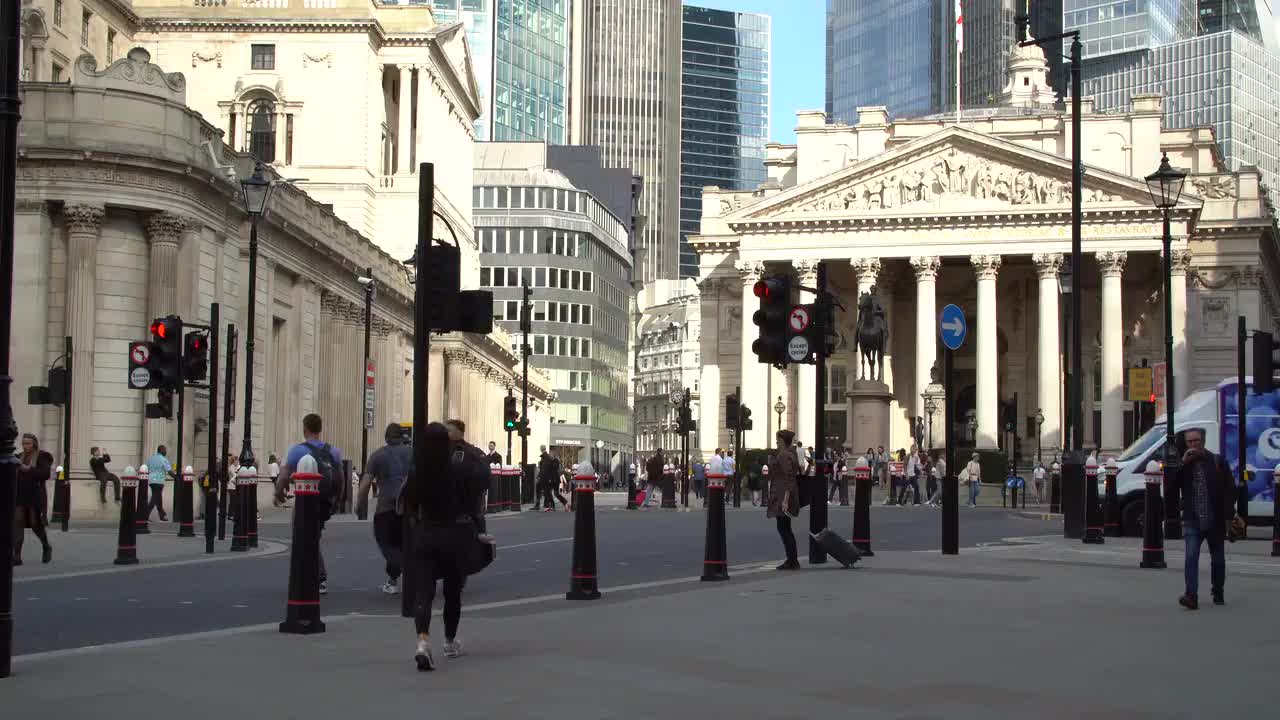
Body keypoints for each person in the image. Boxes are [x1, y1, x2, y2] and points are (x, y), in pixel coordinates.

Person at [402, 422, 477, 671]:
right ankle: (449, 640)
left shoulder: (417, 472)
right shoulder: (455, 470)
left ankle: (423, 642)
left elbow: (408, 505)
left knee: (423, 593)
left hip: (425, 534)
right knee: (452, 592)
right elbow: (469, 503)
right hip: (452, 536)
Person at [276, 414, 344, 595]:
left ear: (305, 428)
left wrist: (279, 493)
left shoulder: (298, 450)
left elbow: (283, 476)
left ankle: (316, 577)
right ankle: (315, 574)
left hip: (305, 501)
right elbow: (341, 478)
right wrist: (337, 501)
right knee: (313, 535)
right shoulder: (334, 451)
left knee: (303, 535)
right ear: (320, 429)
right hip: (325, 501)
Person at [1176, 428, 1238, 609]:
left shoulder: (1217, 461)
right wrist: (1183, 464)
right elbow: (1172, 486)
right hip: (1193, 519)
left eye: (1196, 441)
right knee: (1191, 557)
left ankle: (1217, 590)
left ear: (1203, 441)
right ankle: (1191, 596)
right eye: (1190, 442)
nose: (1193, 444)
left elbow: (1230, 489)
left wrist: (1228, 514)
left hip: (1215, 519)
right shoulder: (1184, 464)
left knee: (1218, 560)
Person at [360, 424, 413, 595]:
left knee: (387, 543)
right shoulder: (412, 453)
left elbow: (366, 483)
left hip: (386, 508)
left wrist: (359, 504)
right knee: (403, 543)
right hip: (409, 507)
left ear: (386, 437)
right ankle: (393, 579)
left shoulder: (378, 455)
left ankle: (399, 575)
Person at [14, 433, 54, 565]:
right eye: (24, 443)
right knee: (18, 523)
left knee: (35, 524)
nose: (26, 446)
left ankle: (46, 546)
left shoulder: (41, 456)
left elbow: (45, 474)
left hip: (35, 496)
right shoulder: (19, 457)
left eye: (28, 443)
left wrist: (29, 469)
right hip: (20, 495)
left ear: (34, 444)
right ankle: (17, 556)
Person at [445, 419, 495, 524]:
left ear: (459, 432)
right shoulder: (474, 451)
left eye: (448, 430)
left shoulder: (470, 452)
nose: (445, 433)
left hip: (460, 508)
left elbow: (484, 478)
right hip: (467, 509)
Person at [767, 429, 802, 570]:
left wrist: (786, 500)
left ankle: (792, 560)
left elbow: (789, 477)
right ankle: (792, 559)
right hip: (783, 493)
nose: (776, 442)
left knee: (784, 528)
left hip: (783, 494)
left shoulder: (784, 456)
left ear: (782, 441)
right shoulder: (790, 454)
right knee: (785, 527)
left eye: (777, 440)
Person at [145, 445, 173, 521]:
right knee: (154, 499)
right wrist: (176, 477)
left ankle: (162, 515)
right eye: (165, 450)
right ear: (161, 450)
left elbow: (146, 468)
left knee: (158, 498)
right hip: (159, 481)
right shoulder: (163, 459)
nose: (166, 451)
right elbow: (169, 471)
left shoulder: (151, 458)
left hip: (151, 481)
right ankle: (145, 515)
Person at [536, 446, 567, 512]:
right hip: (552, 479)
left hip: (554, 480)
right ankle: (550, 506)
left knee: (554, 493)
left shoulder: (555, 461)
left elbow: (552, 471)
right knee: (549, 492)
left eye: (551, 454)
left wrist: (549, 478)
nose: (550, 455)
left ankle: (563, 503)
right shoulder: (552, 461)